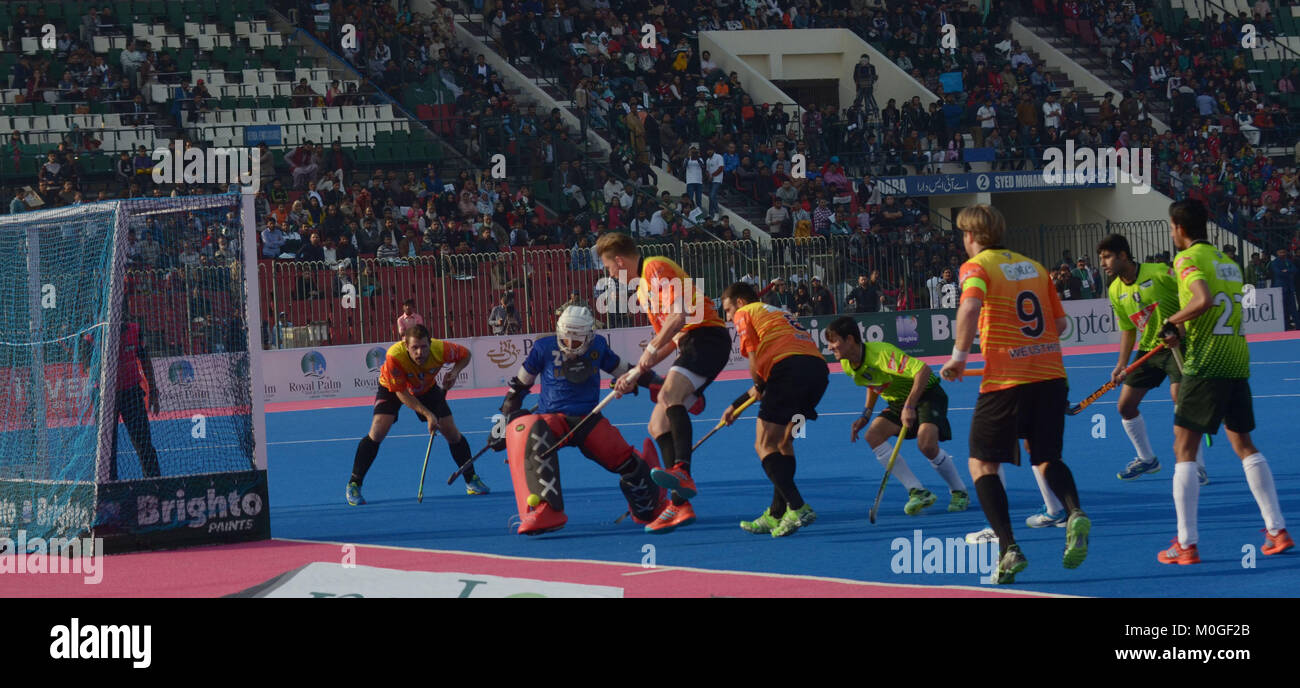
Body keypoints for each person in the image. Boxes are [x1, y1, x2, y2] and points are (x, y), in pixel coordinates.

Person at [940, 204, 1090, 584]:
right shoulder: (1035, 266)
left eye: (963, 234)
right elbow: (1059, 323)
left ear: (971, 236)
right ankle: (1074, 512)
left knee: (981, 463)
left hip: (1008, 380)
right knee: (1047, 456)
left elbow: (970, 306)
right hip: (1051, 375)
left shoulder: (976, 267)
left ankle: (1009, 548)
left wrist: (959, 357)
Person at [1155, 200, 1291, 563]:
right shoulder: (1228, 263)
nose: (1171, 233)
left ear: (1179, 228)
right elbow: (1213, 307)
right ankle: (1277, 530)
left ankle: (1185, 544)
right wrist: (1180, 331)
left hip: (1206, 365)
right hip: (1236, 360)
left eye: (1171, 227)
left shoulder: (1186, 260)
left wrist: (1171, 323)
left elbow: (1202, 300)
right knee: (1244, 444)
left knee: (1183, 450)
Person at [496, 307, 669, 535]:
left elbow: (625, 371)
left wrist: (660, 383)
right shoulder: (543, 348)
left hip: (588, 417)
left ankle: (649, 503)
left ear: (588, 337)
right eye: (566, 339)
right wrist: (502, 427)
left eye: (577, 341)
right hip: (552, 418)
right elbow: (517, 388)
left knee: (622, 457)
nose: (570, 345)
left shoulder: (598, 347)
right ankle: (546, 509)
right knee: (531, 431)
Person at [598, 232, 724, 534]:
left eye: (610, 268)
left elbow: (678, 318)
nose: (611, 274)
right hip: (689, 343)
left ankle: (681, 470)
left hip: (706, 336)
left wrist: (649, 354)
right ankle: (680, 505)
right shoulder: (642, 292)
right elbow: (668, 341)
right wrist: (633, 375)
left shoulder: (655, 266)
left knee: (669, 396)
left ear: (619, 260)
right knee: (657, 425)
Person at [824, 317, 968, 515]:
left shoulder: (881, 354)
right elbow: (872, 383)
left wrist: (909, 405)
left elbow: (923, 370)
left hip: (927, 394)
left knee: (926, 445)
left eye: (834, 341)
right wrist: (866, 415)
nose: (830, 348)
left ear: (850, 339)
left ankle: (959, 491)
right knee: (873, 436)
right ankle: (917, 491)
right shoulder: (849, 364)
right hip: (897, 401)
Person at [718, 282, 829, 537]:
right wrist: (736, 405)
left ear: (740, 303)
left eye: (727, 310)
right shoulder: (778, 313)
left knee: (764, 444)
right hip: (817, 375)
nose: (728, 317)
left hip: (788, 371)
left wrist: (759, 383)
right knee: (784, 443)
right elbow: (766, 382)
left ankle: (798, 507)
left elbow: (755, 360)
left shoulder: (746, 313)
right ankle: (777, 512)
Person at [1097, 233, 1208, 485]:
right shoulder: (1115, 289)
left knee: (1180, 400)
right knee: (1125, 406)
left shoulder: (1159, 272)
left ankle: (1197, 466)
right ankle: (1147, 459)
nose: (1102, 263)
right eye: (1101, 258)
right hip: (1149, 350)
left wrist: (1179, 328)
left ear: (1123, 255)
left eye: (1107, 257)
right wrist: (1121, 364)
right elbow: (1127, 329)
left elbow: (1191, 298)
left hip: (1177, 347)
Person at [346, 323, 487, 505]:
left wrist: (454, 372)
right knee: (378, 429)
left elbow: (466, 355)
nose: (419, 352)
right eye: (414, 348)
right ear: (406, 346)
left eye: (423, 347)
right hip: (393, 389)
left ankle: (471, 479)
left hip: (426, 387)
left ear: (430, 343)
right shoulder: (394, 356)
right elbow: (401, 393)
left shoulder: (441, 349)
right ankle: (354, 483)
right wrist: (428, 414)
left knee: (451, 432)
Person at [80, 321, 161, 480]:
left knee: (144, 443)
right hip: (105, 397)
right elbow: (87, 368)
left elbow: (145, 360)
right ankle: (109, 487)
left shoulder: (134, 329)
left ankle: (154, 484)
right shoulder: (92, 336)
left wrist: (153, 391)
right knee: (107, 449)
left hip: (131, 393)